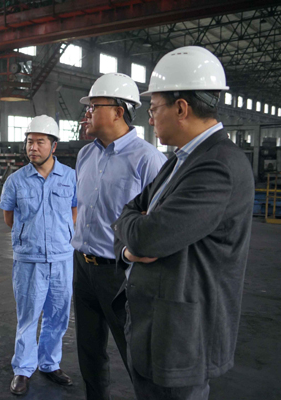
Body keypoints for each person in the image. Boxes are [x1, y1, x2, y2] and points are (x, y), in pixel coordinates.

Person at [112, 46, 255, 400]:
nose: (150, 119)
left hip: (182, 339)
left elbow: (147, 236)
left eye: (154, 109)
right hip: (154, 328)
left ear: (181, 108)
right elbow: (128, 213)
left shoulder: (218, 166)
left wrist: (135, 235)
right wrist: (129, 247)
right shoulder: (180, 161)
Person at [72, 72, 166, 400]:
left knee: (134, 352)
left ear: (117, 111)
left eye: (93, 107)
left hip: (121, 273)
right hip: (82, 266)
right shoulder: (85, 155)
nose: (86, 114)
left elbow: (159, 224)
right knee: (89, 350)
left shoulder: (148, 160)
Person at [0, 115, 77, 396]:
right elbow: (9, 218)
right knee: (28, 317)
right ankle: (23, 369)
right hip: (29, 260)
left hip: (62, 258)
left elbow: (75, 210)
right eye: (29, 142)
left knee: (58, 315)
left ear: (53, 146)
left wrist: (61, 235)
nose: (33, 147)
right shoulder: (15, 181)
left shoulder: (70, 176)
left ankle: (49, 363)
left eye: (40, 142)